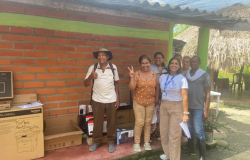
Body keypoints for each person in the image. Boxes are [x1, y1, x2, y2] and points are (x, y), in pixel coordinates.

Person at [84, 48, 120, 153]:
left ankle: (111, 142)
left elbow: (116, 83)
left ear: (107, 56)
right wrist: (91, 76)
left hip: (111, 99)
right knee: (98, 122)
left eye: (103, 55)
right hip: (97, 99)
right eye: (99, 55)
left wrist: (118, 98)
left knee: (112, 123)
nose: (101, 57)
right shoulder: (93, 68)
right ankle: (96, 142)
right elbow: (85, 84)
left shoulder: (113, 68)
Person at [128, 55, 159, 152]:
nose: (145, 65)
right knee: (140, 122)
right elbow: (131, 88)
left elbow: (157, 87)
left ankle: (146, 142)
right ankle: (136, 143)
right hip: (138, 102)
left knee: (147, 122)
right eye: (143, 63)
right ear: (140, 64)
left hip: (150, 102)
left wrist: (157, 98)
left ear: (150, 63)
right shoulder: (136, 73)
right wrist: (132, 77)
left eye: (147, 63)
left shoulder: (154, 73)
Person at [159, 57, 189, 160]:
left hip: (176, 107)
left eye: (176, 63)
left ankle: (174, 158)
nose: (174, 65)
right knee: (163, 133)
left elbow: (185, 97)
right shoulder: (163, 77)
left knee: (174, 135)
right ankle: (168, 154)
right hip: (164, 106)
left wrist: (185, 113)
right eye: (172, 63)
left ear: (179, 66)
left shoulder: (182, 78)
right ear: (169, 65)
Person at [182, 56, 211, 160]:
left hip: (198, 107)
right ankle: (191, 149)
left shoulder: (204, 75)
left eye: (195, 61)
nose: (193, 63)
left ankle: (203, 156)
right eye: (191, 62)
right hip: (188, 107)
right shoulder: (186, 75)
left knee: (199, 130)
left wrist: (206, 110)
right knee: (190, 129)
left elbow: (208, 93)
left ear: (199, 63)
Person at [149, 52, 167, 139]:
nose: (158, 59)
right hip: (153, 94)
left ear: (163, 59)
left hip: (163, 95)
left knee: (161, 114)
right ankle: (151, 132)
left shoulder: (166, 69)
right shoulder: (151, 67)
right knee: (153, 114)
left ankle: (157, 131)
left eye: (160, 58)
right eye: (156, 58)